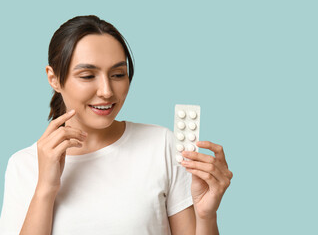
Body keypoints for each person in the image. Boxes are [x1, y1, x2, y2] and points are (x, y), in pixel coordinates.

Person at [0, 15, 233, 235]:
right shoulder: (24, 165)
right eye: (88, 76)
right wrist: (45, 189)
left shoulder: (161, 145)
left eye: (118, 74)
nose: (106, 91)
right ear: (54, 79)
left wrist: (206, 215)